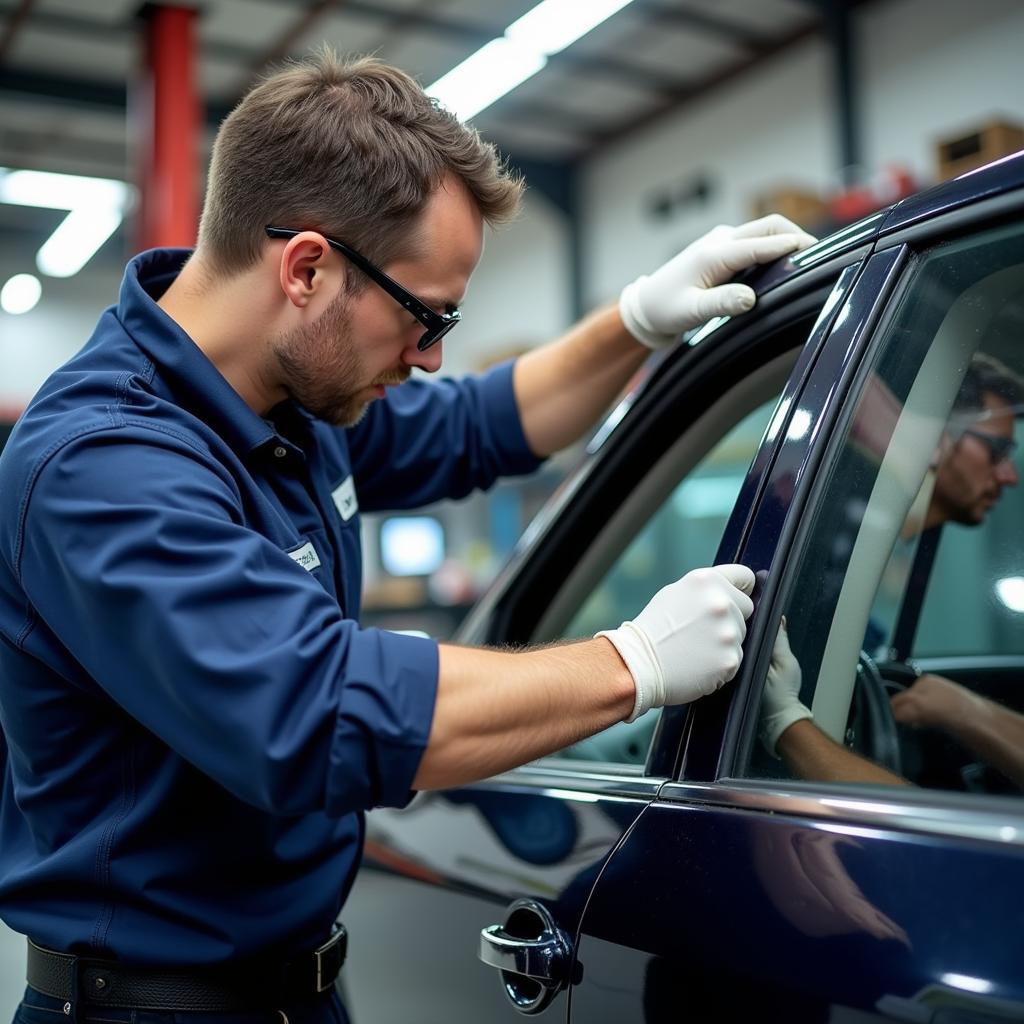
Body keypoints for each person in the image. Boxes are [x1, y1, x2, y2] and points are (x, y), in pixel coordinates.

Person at [0, 51, 815, 1023]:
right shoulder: (105, 462)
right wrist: (631, 662)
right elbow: (312, 714)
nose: (430, 356)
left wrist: (636, 320)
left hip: (300, 989)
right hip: (151, 1006)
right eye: (423, 316)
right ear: (305, 267)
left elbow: (483, 423)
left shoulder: (298, 397)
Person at [760, 352, 1022, 786]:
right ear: (935, 440)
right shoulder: (821, 584)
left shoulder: (844, 583)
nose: (1010, 475)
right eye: (996, 451)